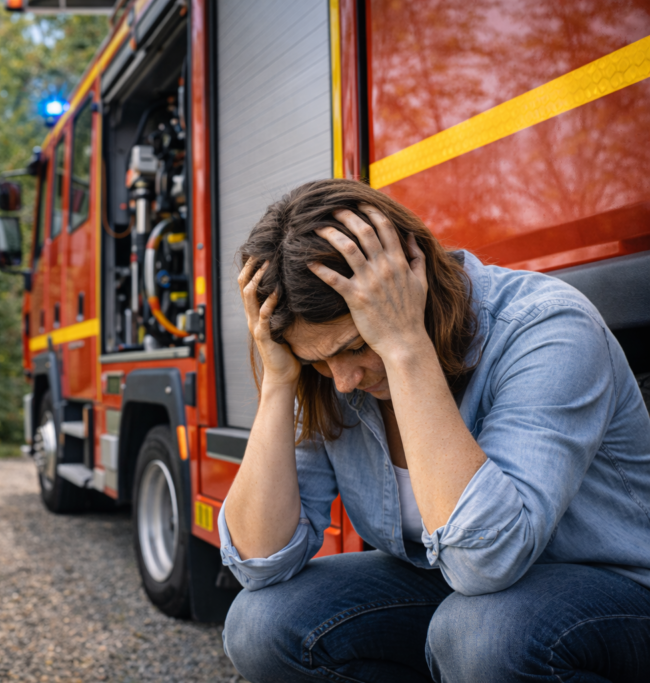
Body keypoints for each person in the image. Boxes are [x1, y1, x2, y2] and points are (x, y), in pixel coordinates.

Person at [218, 179, 650, 683]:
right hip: (455, 587)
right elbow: (259, 564)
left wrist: (404, 347)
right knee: (258, 625)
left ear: (410, 282)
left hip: (615, 592)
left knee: (480, 635)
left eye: (357, 346)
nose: (343, 380)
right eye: (318, 359)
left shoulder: (547, 327)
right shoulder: (333, 379)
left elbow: (486, 562)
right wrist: (279, 381)